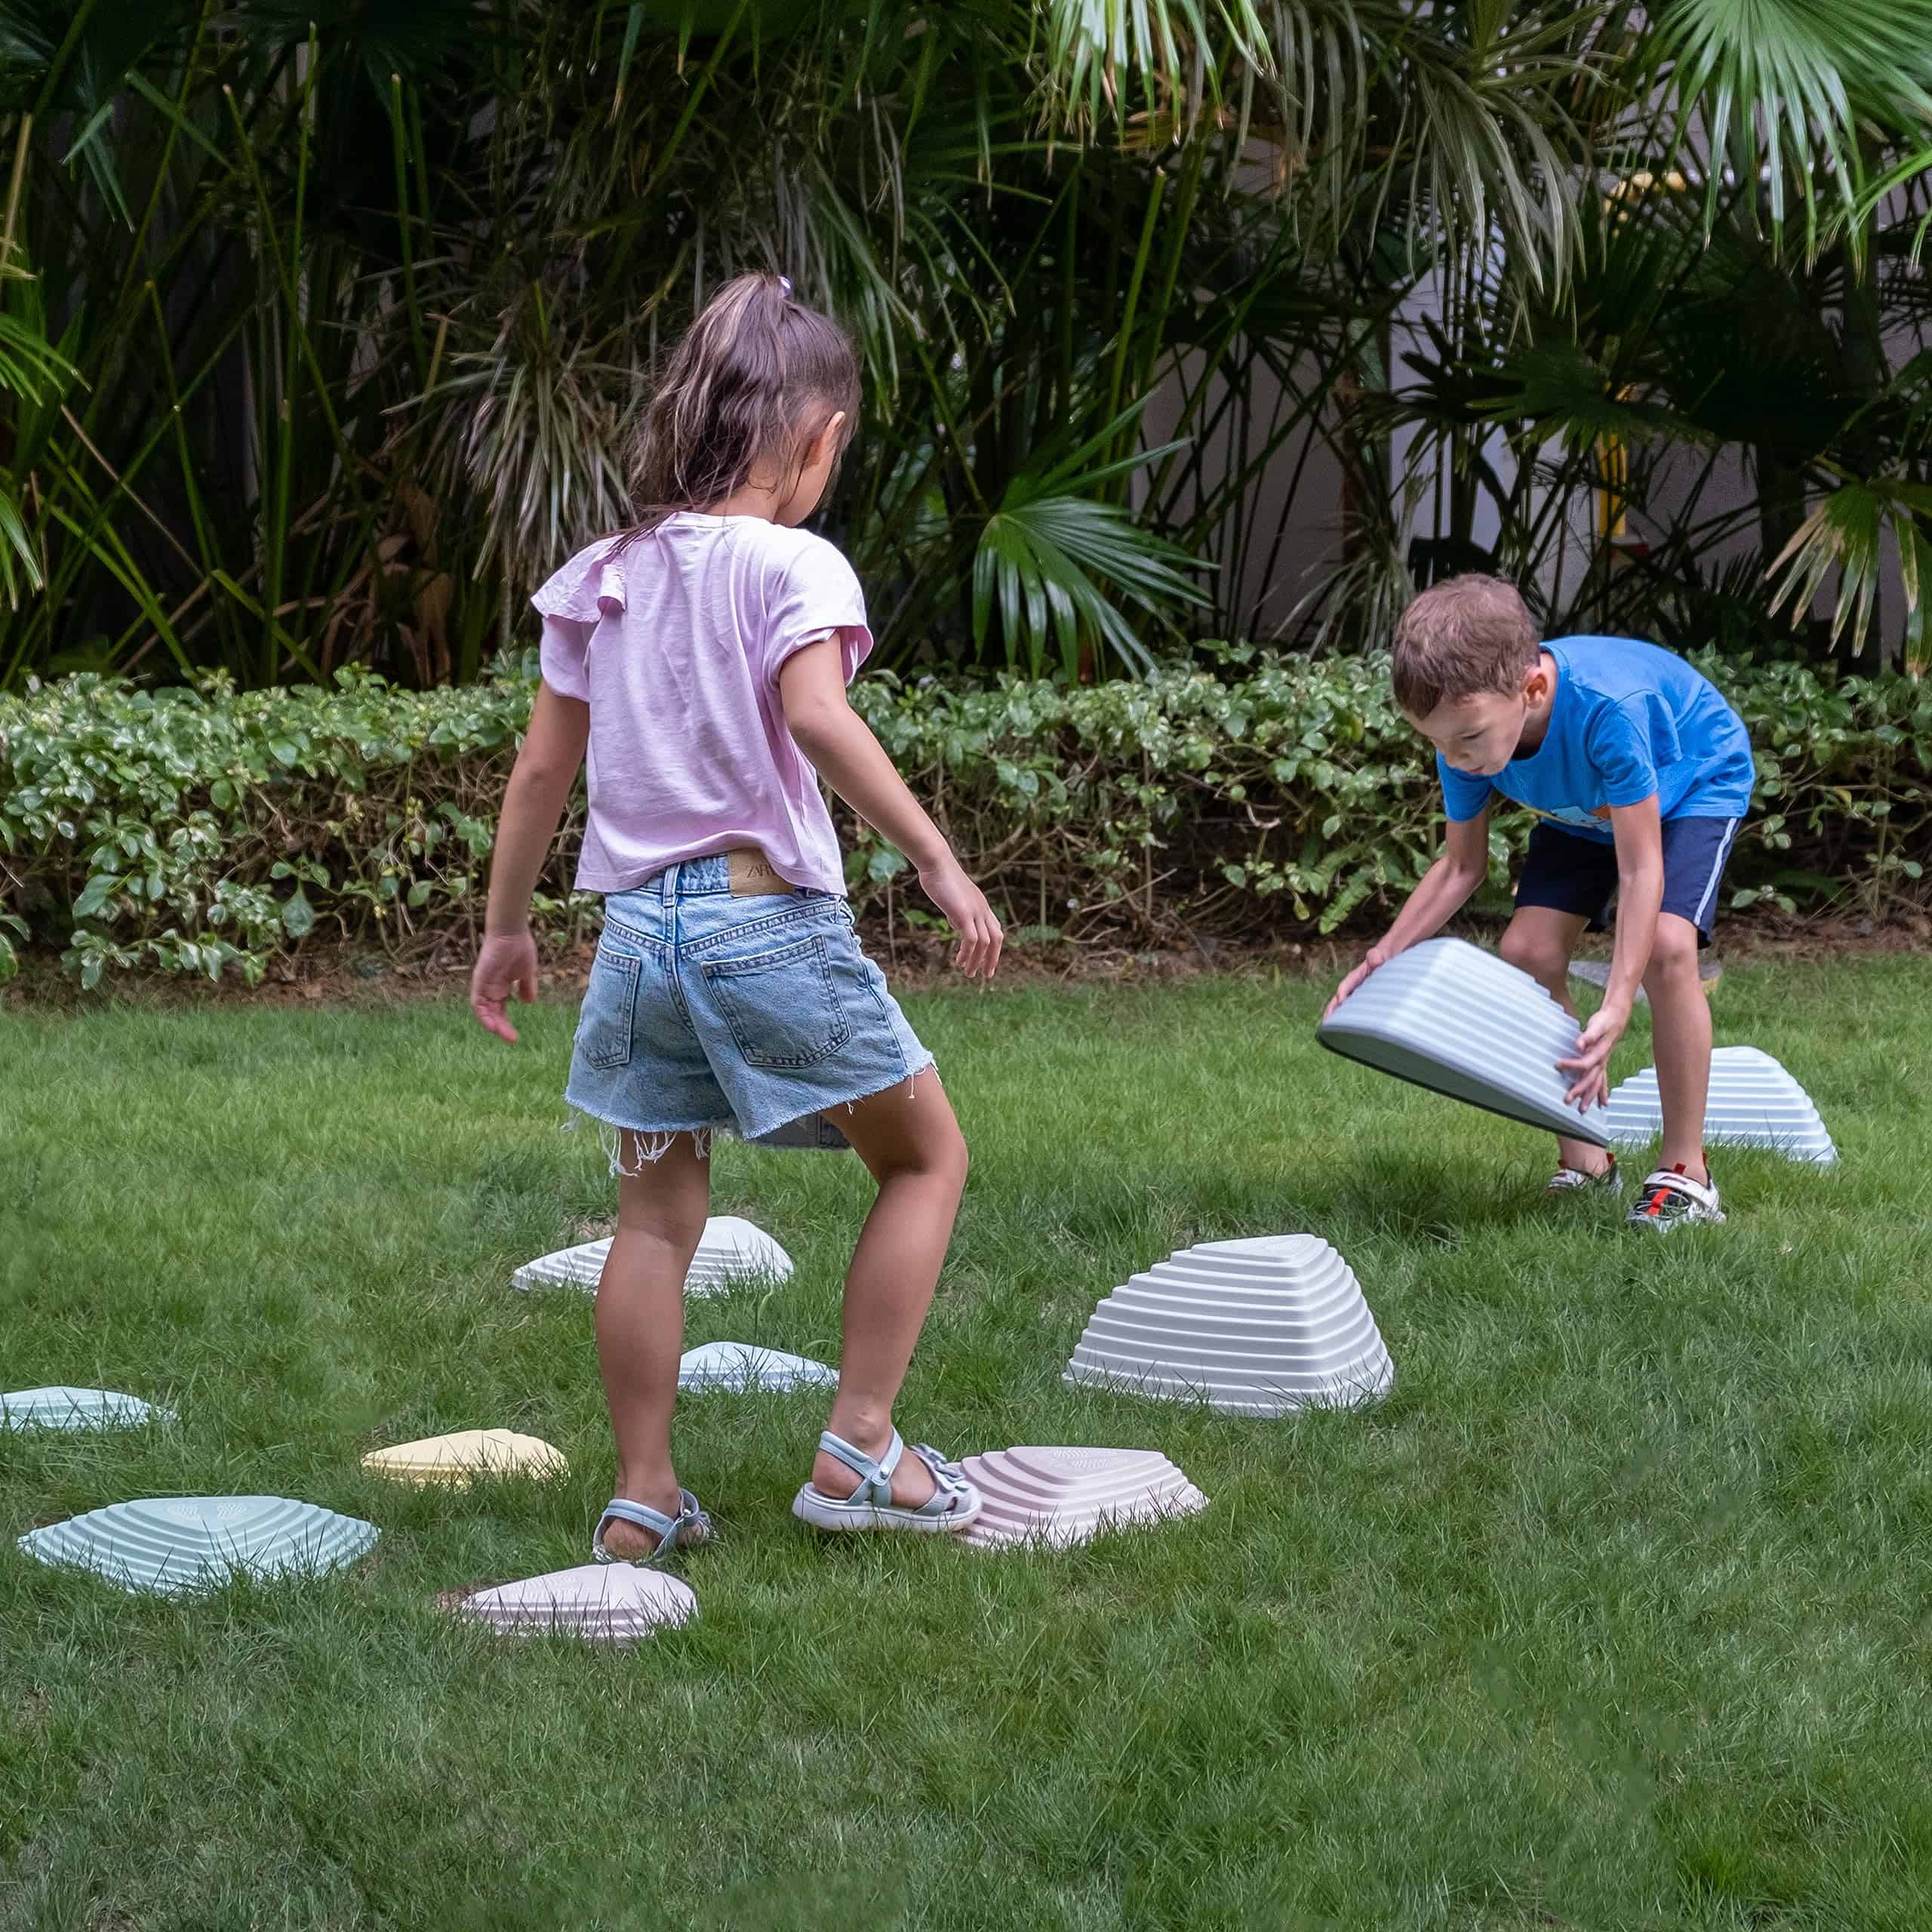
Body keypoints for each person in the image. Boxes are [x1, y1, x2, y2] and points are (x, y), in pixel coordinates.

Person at [469, 272, 1002, 1561]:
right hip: (765, 925)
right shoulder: (792, 561)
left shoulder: (602, 574)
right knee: (927, 1160)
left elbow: (544, 773)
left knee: (655, 1219)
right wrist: (936, 855)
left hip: (635, 943)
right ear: (817, 441)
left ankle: (643, 1493)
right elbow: (817, 716)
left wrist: (504, 928)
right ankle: (861, 1446)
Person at [1326, 574, 1754, 1230]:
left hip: (1691, 782)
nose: (1454, 758)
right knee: (1527, 949)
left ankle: (1686, 1173)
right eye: (1436, 743)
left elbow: (1642, 870)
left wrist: (1615, 1005)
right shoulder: (1465, 735)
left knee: (1669, 950)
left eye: (1467, 739)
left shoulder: (1610, 712)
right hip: (1587, 807)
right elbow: (1461, 867)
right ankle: (1587, 1161)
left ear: (1531, 691)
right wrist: (1383, 954)